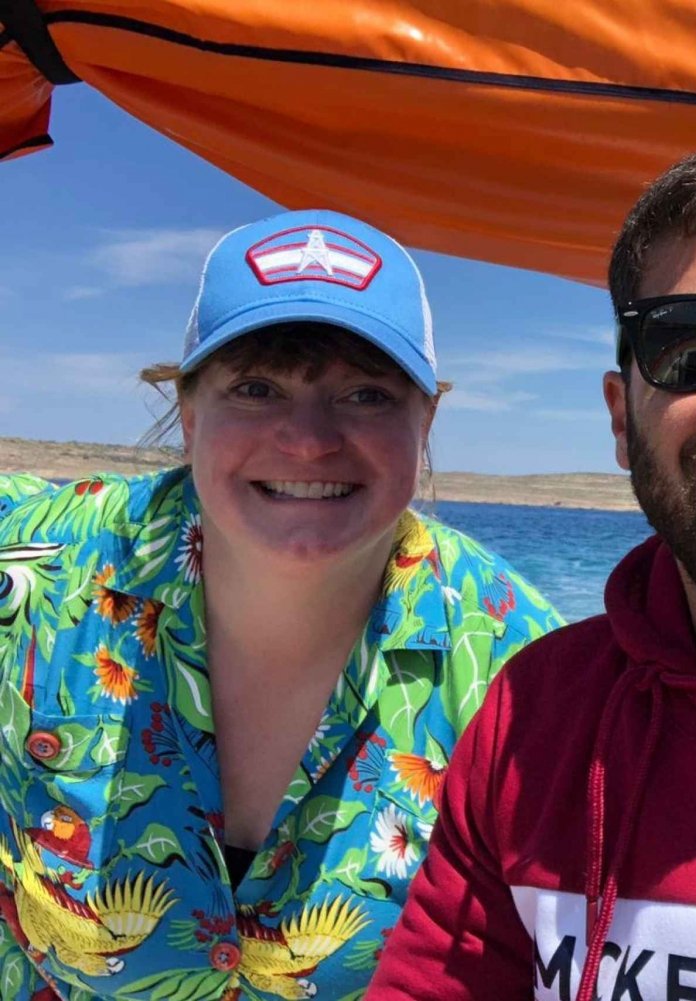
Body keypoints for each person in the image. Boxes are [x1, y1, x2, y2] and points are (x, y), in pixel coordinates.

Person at [0, 208, 562, 999]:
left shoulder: (526, 674)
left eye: (366, 394)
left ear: (426, 418)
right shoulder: (37, 569)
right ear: (190, 415)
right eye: (257, 388)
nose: (307, 439)